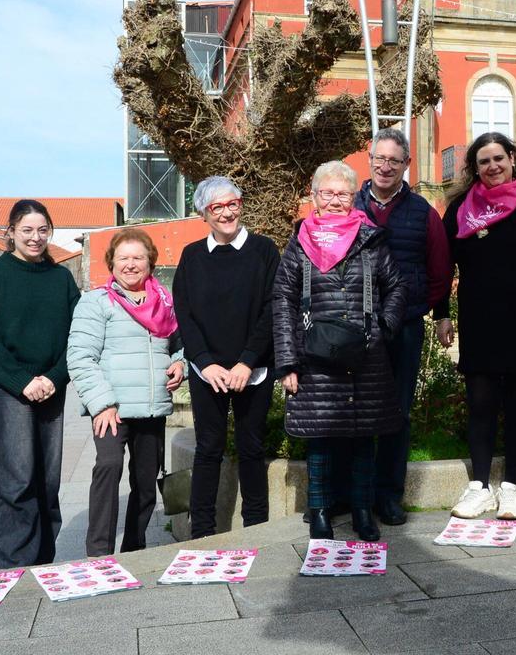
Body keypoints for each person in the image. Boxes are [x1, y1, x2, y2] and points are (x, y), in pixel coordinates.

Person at [272, 160, 406, 542]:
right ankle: (319, 511)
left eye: (343, 194)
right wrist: (288, 361)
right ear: (314, 197)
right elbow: (282, 300)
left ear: (353, 197)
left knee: (364, 436)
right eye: (327, 193)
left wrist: (384, 325)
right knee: (320, 438)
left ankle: (363, 510)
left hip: (365, 355)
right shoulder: (300, 242)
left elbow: (397, 287)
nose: (334, 200)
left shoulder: (370, 239)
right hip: (315, 357)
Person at [434, 132, 516, 521]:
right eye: (484, 161)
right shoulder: (459, 210)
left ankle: (512, 487)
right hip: (479, 320)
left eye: (498, 158)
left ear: (513, 158)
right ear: (474, 168)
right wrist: (442, 313)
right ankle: (480, 488)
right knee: (480, 404)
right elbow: (442, 265)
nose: (492, 166)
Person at [0, 199, 81, 568]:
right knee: (16, 478)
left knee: (47, 480)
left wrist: (54, 377)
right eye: (27, 230)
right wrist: (22, 382)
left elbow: (78, 337)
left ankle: (43, 559)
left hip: (50, 386)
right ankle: (15, 566)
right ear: (12, 232)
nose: (36, 237)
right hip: (6, 389)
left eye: (43, 230)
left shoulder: (61, 279)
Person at [353, 128, 453, 526]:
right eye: (380, 158)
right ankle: (354, 493)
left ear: (406, 165)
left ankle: (388, 495)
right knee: (354, 411)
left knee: (398, 412)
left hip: (405, 326)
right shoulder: (348, 205)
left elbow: (440, 268)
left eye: (394, 160)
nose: (386, 166)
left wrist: (436, 310)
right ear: (370, 160)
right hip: (354, 326)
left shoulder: (423, 212)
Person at [172, 176, 280, 539]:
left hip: (253, 369)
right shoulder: (192, 256)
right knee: (208, 448)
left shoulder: (264, 250)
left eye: (232, 203)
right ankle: (202, 531)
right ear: (204, 214)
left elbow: (272, 308)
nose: (227, 212)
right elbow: (184, 313)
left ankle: (255, 528)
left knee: (252, 448)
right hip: (209, 372)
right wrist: (205, 363)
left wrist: (247, 361)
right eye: (217, 207)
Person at [68, 228, 185, 556]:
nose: (130, 264)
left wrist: (181, 364)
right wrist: (101, 403)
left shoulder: (165, 302)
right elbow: (80, 357)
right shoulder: (96, 302)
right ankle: (99, 554)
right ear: (112, 263)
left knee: (146, 483)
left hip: (151, 406)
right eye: (123, 258)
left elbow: (181, 345)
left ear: (150, 263)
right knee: (108, 468)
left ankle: (135, 549)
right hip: (112, 408)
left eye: (138, 258)